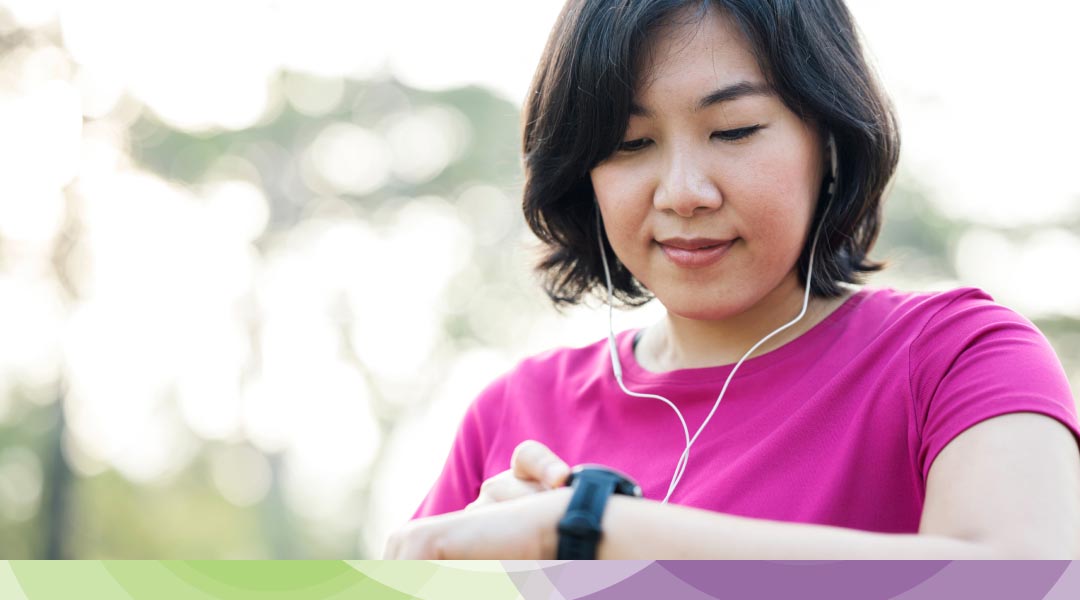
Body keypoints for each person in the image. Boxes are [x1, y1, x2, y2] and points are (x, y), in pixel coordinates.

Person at [384, 0, 1080, 559]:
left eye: (735, 130)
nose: (683, 192)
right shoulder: (513, 410)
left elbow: (1025, 579)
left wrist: (596, 534)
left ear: (829, 139)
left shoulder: (959, 357)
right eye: (630, 143)